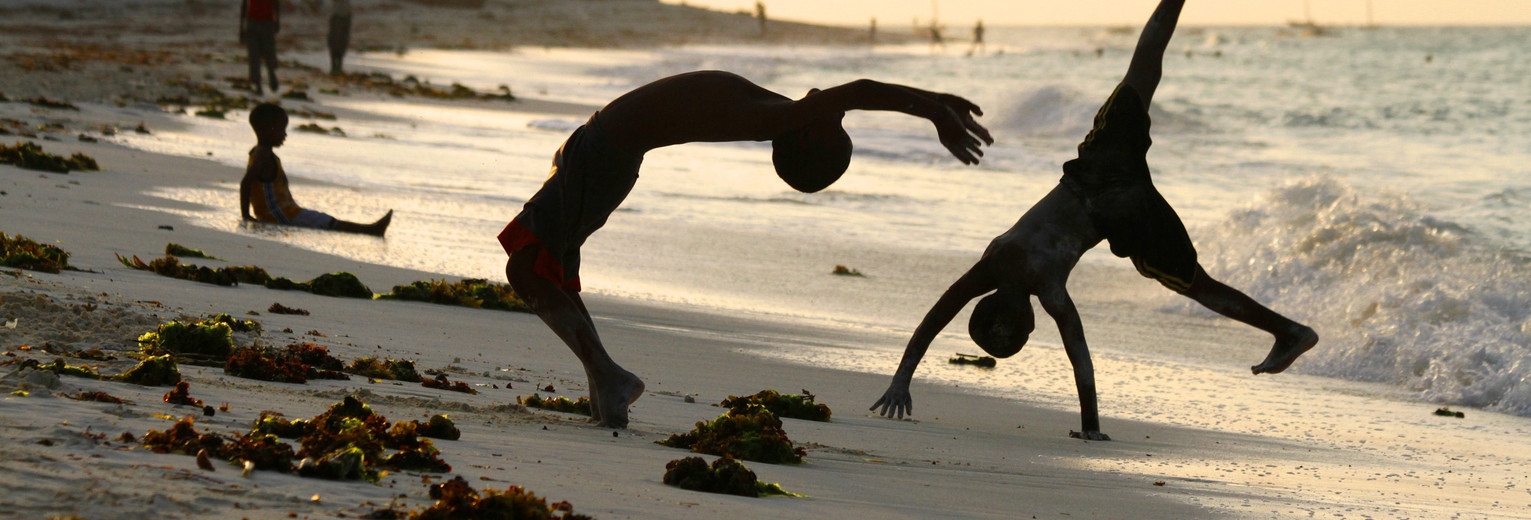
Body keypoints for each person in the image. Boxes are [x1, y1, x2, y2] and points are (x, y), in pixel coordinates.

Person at [869, 0, 1317, 440]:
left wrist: (1091, 427)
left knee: (1195, 284)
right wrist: (900, 377)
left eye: (1028, 331)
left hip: (1124, 210)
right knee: (1143, 69)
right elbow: (936, 316)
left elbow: (1079, 356)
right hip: (1101, 166)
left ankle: (1289, 331)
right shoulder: (996, 258)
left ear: (1026, 322)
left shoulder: (1050, 291)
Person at [500, 70, 993, 428]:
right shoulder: (779, 111)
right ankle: (604, 384)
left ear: (804, 135)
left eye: (834, 123)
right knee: (550, 269)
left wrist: (936, 110)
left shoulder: (782, 116)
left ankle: (608, 377)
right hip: (603, 154)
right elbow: (851, 95)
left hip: (603, 155)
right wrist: (936, 98)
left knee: (526, 270)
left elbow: (861, 91)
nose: (837, 113)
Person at [240, 104, 393, 236]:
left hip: (283, 212)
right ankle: (371, 230)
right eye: (281, 129)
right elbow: (246, 182)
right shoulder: (263, 155)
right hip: (280, 214)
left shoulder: (258, 152)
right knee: (324, 221)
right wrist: (246, 215)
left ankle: (370, 229)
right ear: (267, 130)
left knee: (320, 220)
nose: (285, 134)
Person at [239, 0, 281, 95]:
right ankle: (257, 83)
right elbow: (244, 5)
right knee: (254, 55)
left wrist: (277, 20)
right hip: (253, 22)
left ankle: (271, 73)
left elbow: (276, 3)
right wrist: (242, 27)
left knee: (269, 51)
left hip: (267, 22)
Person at [327, 0, 353, 76]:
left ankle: (338, 67)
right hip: (337, 16)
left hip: (344, 16)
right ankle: (334, 67)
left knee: (342, 41)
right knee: (335, 41)